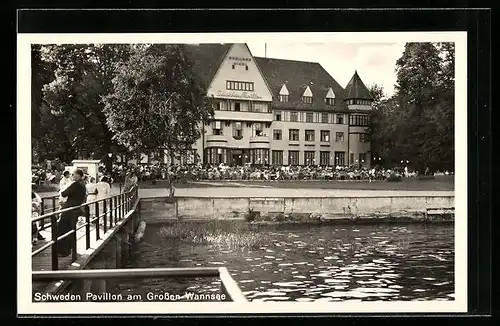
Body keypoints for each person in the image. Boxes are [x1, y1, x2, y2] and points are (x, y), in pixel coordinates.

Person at [57, 169, 87, 257]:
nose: (72, 176)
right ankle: (69, 249)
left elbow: (64, 193)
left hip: (69, 209)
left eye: (73, 174)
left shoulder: (76, 184)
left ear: (78, 175)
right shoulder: (82, 184)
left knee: (62, 229)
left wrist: (64, 189)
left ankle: (62, 251)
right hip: (75, 208)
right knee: (69, 229)